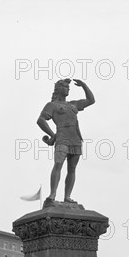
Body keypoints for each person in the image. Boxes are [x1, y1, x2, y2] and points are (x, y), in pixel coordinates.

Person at [37, 78, 95, 207]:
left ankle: (67, 196)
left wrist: (84, 85)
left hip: (76, 139)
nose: (68, 89)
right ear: (58, 89)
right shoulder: (52, 105)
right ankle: (52, 194)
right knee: (58, 164)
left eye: (68, 88)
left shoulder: (73, 104)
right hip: (62, 137)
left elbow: (91, 100)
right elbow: (41, 120)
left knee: (72, 169)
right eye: (65, 87)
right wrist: (53, 135)